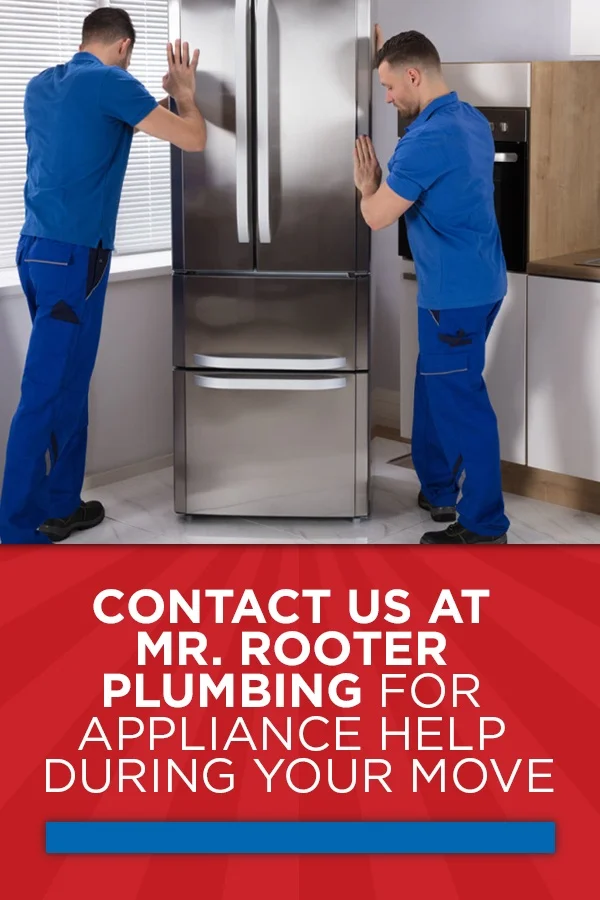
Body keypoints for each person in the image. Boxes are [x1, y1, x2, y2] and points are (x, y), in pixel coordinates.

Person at [0, 7, 206, 544]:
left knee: (67, 381)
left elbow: (94, 129)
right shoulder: (113, 82)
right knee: (45, 391)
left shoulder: (42, 84)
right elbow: (193, 138)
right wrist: (184, 92)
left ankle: (62, 504)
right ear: (123, 46)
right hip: (74, 259)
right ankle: (16, 532)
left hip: (35, 249)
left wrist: (154, 102)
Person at [354, 28, 510, 545]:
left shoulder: (424, 140)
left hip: (453, 298)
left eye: (390, 85)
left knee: (461, 404)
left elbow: (377, 217)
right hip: (482, 284)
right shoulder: (471, 120)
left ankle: (484, 526)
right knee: (435, 388)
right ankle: (439, 488)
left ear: (413, 75)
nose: (388, 96)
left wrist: (367, 186)